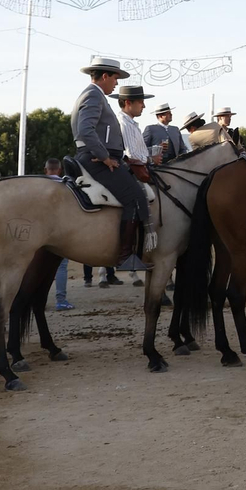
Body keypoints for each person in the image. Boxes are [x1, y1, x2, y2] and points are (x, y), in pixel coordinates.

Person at [71, 57, 153, 269]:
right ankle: (125, 257)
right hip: (96, 159)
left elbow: (101, 134)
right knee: (135, 198)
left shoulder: (94, 96)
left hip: (103, 157)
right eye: (115, 78)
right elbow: (85, 130)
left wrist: (124, 158)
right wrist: (105, 156)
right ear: (105, 76)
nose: (116, 84)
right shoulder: (93, 95)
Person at [45, 158, 75, 311]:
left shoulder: (39, 186)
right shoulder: (66, 186)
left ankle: (39, 300)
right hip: (60, 231)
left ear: (46, 170)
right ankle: (61, 300)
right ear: (60, 170)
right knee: (61, 266)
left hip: (40, 231)